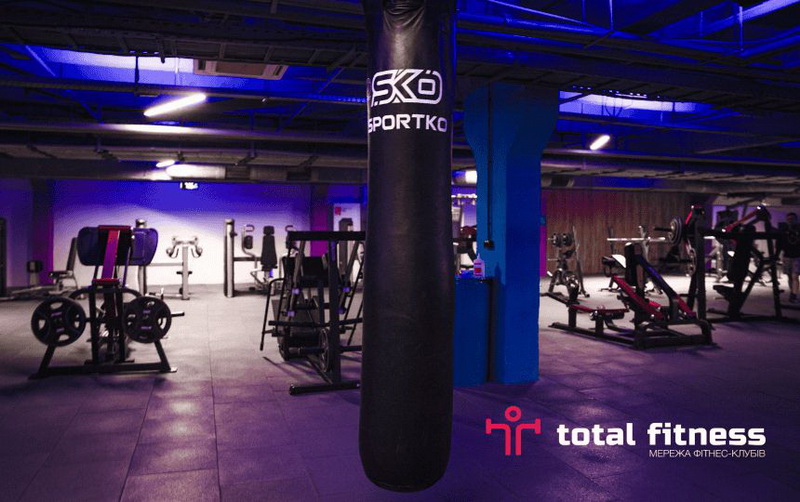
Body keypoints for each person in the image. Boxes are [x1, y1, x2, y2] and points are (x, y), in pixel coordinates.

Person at [778, 212, 800, 303]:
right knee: (790, 276)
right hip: (787, 256)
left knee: (795, 275)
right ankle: (792, 293)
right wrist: (778, 254)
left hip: (797, 256)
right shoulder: (784, 230)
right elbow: (780, 243)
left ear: (796, 220)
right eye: (789, 219)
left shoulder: (798, 230)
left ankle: (794, 295)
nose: (790, 221)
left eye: (792, 219)